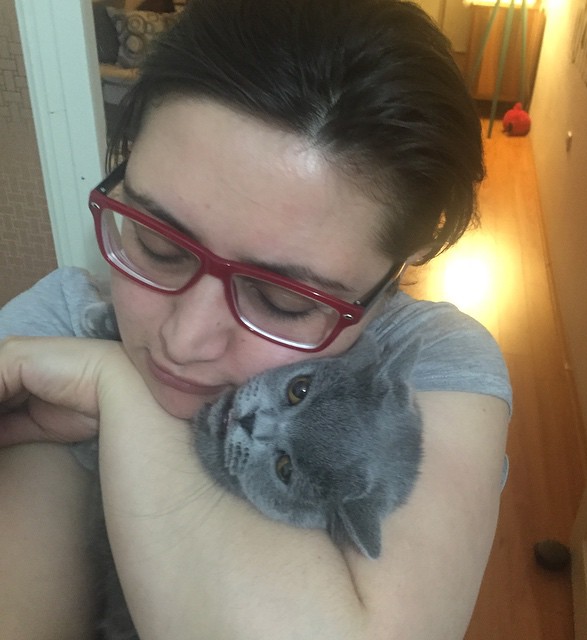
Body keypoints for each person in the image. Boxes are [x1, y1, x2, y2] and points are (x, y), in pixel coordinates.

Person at [0, 0, 511, 638]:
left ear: (392, 277)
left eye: (284, 300)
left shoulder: (429, 364)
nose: (183, 341)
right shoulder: (65, 320)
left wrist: (117, 386)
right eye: (158, 243)